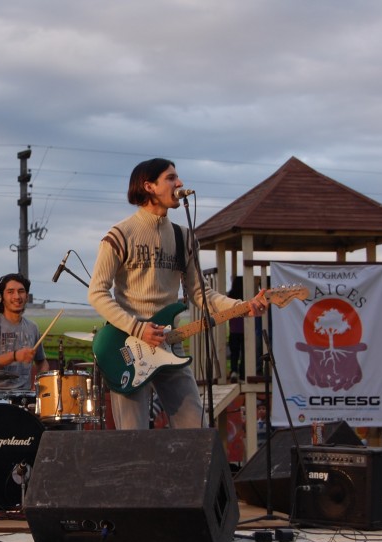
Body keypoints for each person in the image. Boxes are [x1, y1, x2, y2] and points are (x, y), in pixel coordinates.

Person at [87, 158, 268, 430]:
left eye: (177, 177)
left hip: (170, 343)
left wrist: (243, 306)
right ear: (148, 186)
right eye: (171, 178)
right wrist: (137, 328)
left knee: (195, 429)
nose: (180, 183)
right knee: (132, 438)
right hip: (128, 345)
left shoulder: (184, 237)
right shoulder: (119, 235)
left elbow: (199, 292)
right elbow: (97, 293)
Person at [0, 273, 50, 403]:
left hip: (24, 395)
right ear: (0, 297)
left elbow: (42, 362)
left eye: (21, 291)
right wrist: (14, 356)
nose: (17, 296)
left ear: (26, 297)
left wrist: (39, 386)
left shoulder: (32, 328)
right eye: (10, 292)